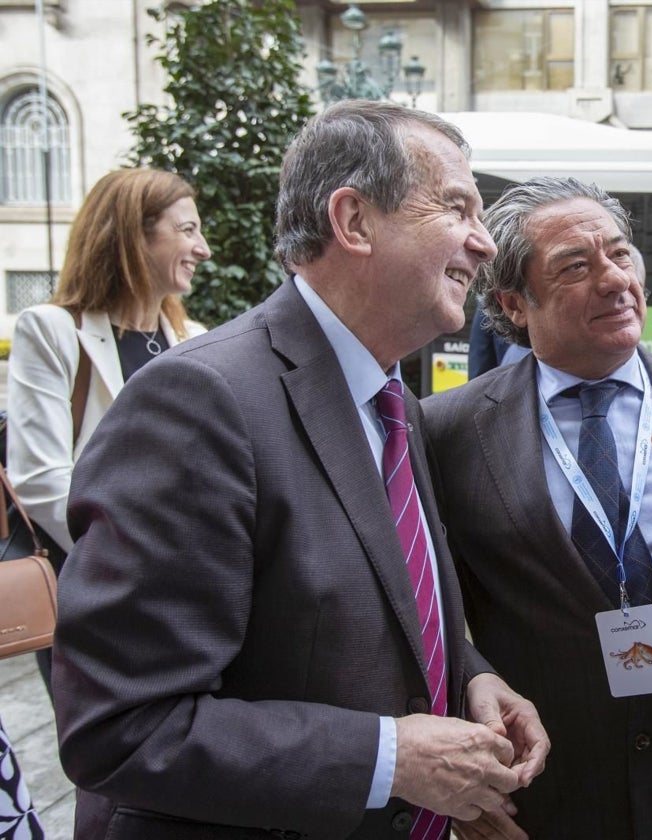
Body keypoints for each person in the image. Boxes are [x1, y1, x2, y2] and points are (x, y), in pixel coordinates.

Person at [52, 101, 548, 839]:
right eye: (457, 206)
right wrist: (388, 760)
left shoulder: (394, 403)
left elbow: (378, 601)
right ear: (353, 221)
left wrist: (469, 675)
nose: (484, 241)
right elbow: (120, 726)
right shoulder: (199, 401)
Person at [422, 176, 652, 839]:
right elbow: (430, 616)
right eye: (576, 266)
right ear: (514, 301)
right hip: (549, 794)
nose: (615, 279)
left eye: (620, 255)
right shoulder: (451, 430)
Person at [6, 166, 210, 691]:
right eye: (187, 230)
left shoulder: (197, 340)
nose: (203, 248)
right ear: (133, 234)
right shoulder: (53, 331)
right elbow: (41, 480)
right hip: (100, 603)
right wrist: (139, 566)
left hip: (189, 603)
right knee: (110, 765)